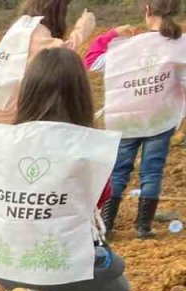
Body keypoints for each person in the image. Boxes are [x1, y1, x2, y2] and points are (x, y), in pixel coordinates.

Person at [0, 48, 128, 291]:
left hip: (2, 263)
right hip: (61, 262)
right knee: (117, 287)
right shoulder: (90, 147)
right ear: (81, 95)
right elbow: (101, 197)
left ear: (28, 92)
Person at [85, 0, 186, 238]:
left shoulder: (126, 47)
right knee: (152, 172)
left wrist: (110, 34)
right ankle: (144, 228)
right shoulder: (181, 44)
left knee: (118, 171)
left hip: (126, 119)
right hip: (160, 119)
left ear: (148, 10)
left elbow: (92, 61)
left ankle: (106, 225)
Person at [0, 1, 98, 123]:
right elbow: (58, 54)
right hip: (15, 114)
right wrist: (82, 30)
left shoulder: (22, 27)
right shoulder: (35, 31)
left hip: (2, 108)